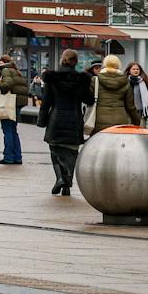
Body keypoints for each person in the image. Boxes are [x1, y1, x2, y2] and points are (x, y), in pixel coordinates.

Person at [38, 48, 90, 196]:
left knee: (55, 149)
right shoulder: (82, 79)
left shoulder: (52, 78)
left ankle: (60, 178)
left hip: (56, 118)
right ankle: (67, 184)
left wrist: (42, 121)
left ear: (62, 59)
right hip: (74, 119)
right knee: (72, 152)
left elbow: (46, 102)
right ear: (76, 62)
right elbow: (89, 99)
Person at [0, 54, 30, 165]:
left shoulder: (5, 70)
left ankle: (8, 157)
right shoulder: (17, 71)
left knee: (8, 131)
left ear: (3, 62)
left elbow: (7, 85)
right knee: (13, 131)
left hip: (9, 105)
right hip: (18, 104)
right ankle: (17, 157)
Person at [91, 54, 141, 130]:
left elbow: (89, 99)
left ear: (104, 65)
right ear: (118, 65)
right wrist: (136, 121)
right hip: (120, 121)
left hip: (99, 120)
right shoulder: (125, 81)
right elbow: (130, 106)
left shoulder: (96, 80)